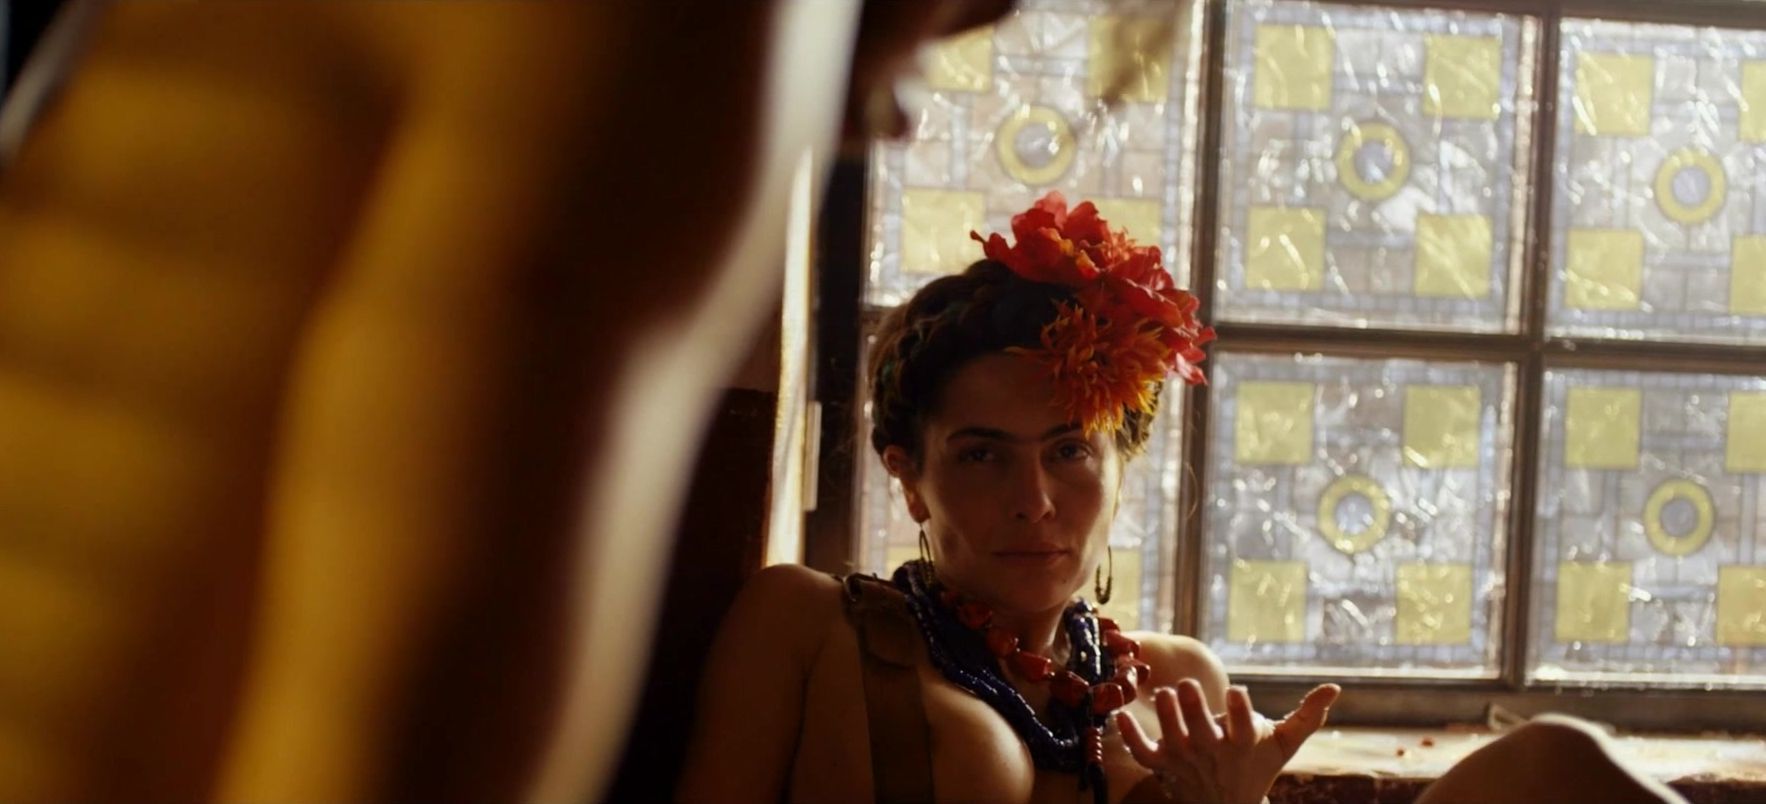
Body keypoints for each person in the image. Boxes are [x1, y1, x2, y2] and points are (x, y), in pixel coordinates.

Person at [679, 192, 1691, 804]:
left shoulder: (1174, 680)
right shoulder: (808, 626)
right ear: (908, 474)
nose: (1033, 500)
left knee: (1552, 764)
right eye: (981, 456)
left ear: (1121, 467)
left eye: (1068, 451)